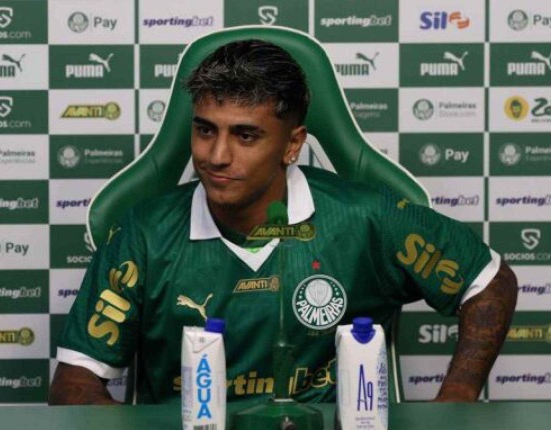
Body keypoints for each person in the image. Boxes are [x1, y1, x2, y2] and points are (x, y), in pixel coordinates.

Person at [49, 40, 517, 405]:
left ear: (292, 145)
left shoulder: (365, 217)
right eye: (205, 129)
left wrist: (457, 396)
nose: (216, 156)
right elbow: (73, 384)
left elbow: (489, 282)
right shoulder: (143, 233)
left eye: (245, 135)